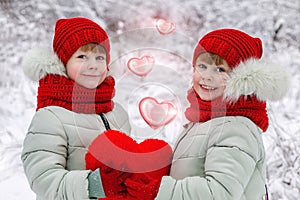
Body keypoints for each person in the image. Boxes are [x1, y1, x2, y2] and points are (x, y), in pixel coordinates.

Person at [151, 28, 289, 199]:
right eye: (202, 66)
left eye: (220, 69)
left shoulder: (235, 127)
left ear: (241, 78)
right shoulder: (204, 119)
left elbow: (219, 193)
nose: (207, 76)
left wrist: (158, 189)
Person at [21, 17, 131, 200]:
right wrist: (95, 185)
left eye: (100, 57)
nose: (93, 65)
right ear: (63, 62)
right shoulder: (51, 116)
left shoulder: (117, 113)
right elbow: (44, 180)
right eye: (82, 57)